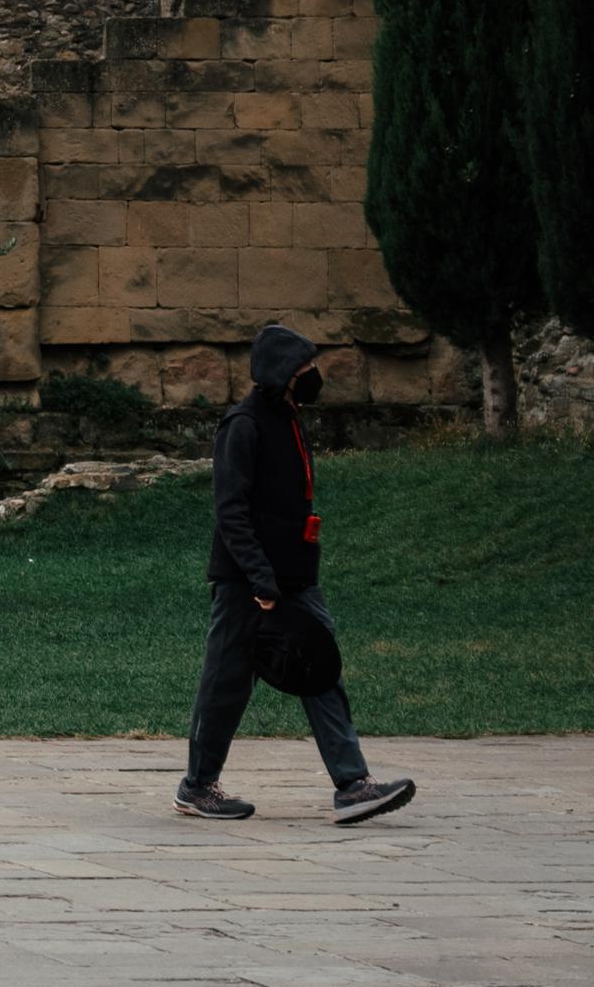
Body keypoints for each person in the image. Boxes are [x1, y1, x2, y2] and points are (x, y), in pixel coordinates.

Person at [177, 323, 418, 826]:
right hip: (249, 582)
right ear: (284, 374)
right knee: (227, 682)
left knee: (321, 671)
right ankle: (198, 786)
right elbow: (231, 512)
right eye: (306, 368)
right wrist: (262, 581)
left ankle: (353, 785)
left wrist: (297, 573)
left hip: (297, 580)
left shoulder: (290, 418)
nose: (314, 376)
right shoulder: (242, 425)